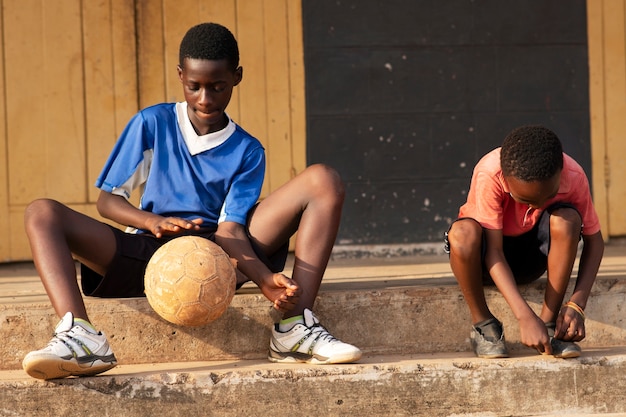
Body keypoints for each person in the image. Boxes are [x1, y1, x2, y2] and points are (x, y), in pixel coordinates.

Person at [22, 22, 361, 380]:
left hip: (217, 258)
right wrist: (151, 222)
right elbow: (108, 202)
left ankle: (295, 327)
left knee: (323, 180)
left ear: (237, 77)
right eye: (194, 86)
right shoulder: (152, 122)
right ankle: (80, 337)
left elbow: (230, 228)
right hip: (146, 254)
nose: (205, 98)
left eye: (218, 87)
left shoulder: (247, 150)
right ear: (181, 75)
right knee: (41, 212)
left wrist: (264, 279)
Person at [445, 125, 604, 359]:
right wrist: (524, 316)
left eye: (548, 197)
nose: (537, 206)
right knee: (462, 234)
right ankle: (484, 324)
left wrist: (576, 305)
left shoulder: (574, 175)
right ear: (506, 180)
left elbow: (595, 243)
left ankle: (549, 325)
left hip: (533, 257)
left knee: (567, 220)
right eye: (524, 199)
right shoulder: (490, 172)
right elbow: (494, 252)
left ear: (561, 172)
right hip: (486, 260)